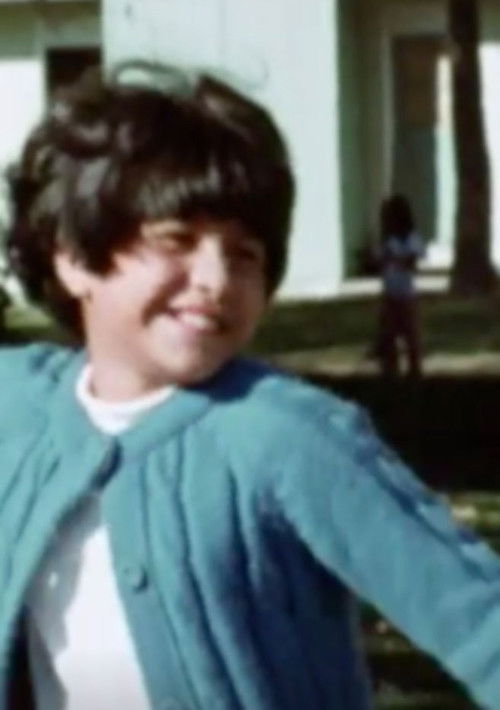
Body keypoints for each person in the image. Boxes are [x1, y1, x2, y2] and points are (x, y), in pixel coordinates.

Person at [2, 61, 500, 710]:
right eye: (177, 241)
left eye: (244, 255)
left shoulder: (287, 437)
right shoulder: (20, 405)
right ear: (73, 259)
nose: (215, 279)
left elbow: (477, 618)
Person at [377, 194, 425, 377]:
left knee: (411, 335)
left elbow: (412, 261)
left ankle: (414, 371)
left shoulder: (411, 237)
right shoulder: (387, 239)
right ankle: (389, 370)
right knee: (388, 335)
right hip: (389, 292)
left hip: (406, 293)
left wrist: (395, 258)